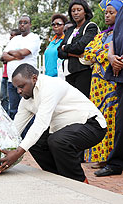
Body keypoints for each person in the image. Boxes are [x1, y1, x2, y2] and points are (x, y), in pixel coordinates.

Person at [0, 63, 107, 183]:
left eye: (22, 86)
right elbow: (15, 128)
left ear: (34, 78)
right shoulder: (26, 100)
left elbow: (41, 124)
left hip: (92, 125)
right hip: (67, 128)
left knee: (57, 141)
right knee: (36, 141)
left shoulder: (50, 86)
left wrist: (17, 153)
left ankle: (80, 182)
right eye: (16, 88)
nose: (19, 91)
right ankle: (58, 177)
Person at [83, 0, 123, 169]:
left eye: (111, 13)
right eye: (106, 13)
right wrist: (105, 54)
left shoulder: (118, 35)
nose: (107, 15)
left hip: (112, 83)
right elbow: (86, 52)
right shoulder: (101, 35)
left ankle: (110, 157)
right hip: (97, 85)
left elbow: (96, 54)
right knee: (97, 118)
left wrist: (100, 55)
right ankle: (99, 156)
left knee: (113, 119)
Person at [94, 3, 123, 177]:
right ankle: (116, 163)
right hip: (120, 75)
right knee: (120, 122)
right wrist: (111, 56)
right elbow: (114, 40)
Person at [1, 15, 40, 119]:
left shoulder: (34, 37)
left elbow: (24, 53)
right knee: (14, 110)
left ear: (30, 25)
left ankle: (29, 135)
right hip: (11, 81)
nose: (22, 24)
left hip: (26, 81)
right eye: (20, 22)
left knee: (29, 110)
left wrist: (14, 54)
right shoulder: (14, 39)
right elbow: (3, 57)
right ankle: (16, 135)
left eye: (25, 22)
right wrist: (17, 56)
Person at [57, 0, 99, 98]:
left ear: (85, 12)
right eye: (73, 11)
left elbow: (80, 47)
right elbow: (59, 52)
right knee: (71, 104)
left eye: (79, 10)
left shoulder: (90, 27)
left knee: (83, 102)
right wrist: (71, 53)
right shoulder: (70, 30)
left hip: (83, 71)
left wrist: (65, 48)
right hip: (68, 72)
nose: (75, 13)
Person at [0, 29, 21, 114]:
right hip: (6, 76)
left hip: (17, 77)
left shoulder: (20, 46)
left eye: (13, 35)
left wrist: (10, 57)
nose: (11, 37)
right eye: (11, 35)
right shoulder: (9, 46)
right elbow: (3, 59)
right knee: (4, 98)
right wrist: (14, 57)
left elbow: (20, 56)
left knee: (19, 101)